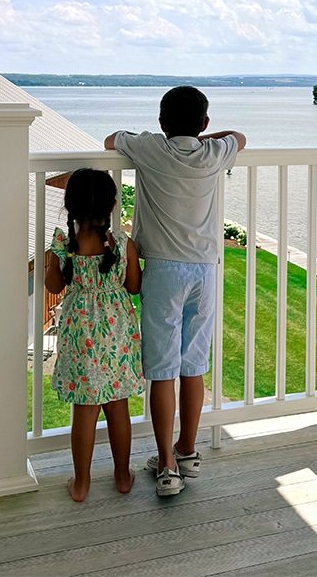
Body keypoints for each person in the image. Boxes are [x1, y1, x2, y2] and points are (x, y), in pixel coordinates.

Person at [105, 86, 246, 497]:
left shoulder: (152, 149)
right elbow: (239, 137)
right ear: (204, 124)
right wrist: (207, 138)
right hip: (205, 270)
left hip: (164, 270)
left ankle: (167, 463)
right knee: (193, 363)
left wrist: (162, 138)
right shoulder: (213, 153)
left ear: (162, 122)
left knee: (164, 367)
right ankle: (188, 449)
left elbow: (111, 140)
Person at [44, 168, 143, 503]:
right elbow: (134, 286)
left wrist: (53, 263)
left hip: (78, 335)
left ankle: (82, 483)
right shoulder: (122, 244)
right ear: (112, 205)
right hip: (116, 333)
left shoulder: (63, 244)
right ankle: (122, 476)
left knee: (84, 411)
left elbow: (54, 286)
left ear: (70, 206)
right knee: (118, 408)